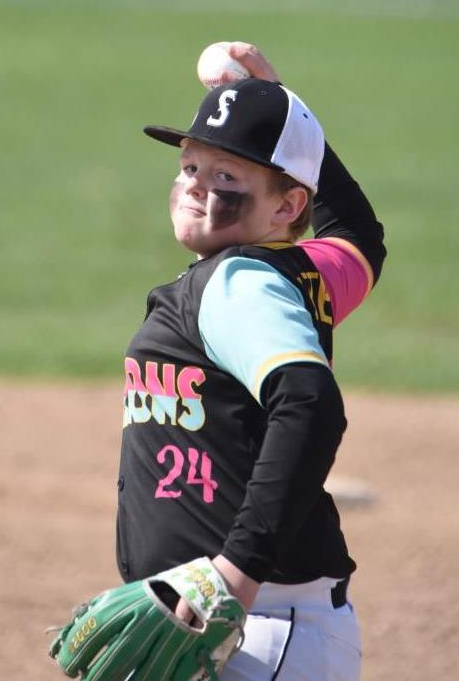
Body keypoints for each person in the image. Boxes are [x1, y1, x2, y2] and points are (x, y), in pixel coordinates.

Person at [116, 43, 386, 680]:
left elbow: (309, 404)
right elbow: (357, 237)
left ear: (287, 208)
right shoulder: (297, 272)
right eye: (190, 165)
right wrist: (291, 124)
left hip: (248, 630)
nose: (196, 185)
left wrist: (235, 576)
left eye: (227, 178)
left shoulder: (240, 283)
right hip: (258, 627)